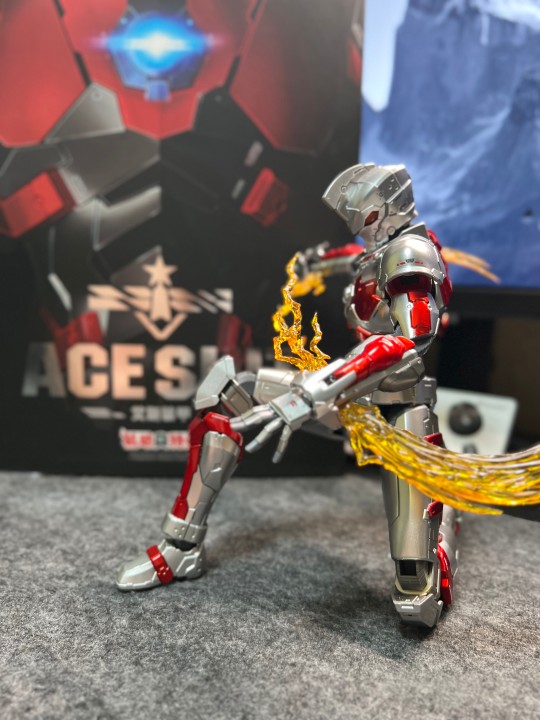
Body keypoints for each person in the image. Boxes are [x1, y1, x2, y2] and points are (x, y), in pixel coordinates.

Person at [116, 163, 459, 629]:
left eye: (360, 214)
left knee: (416, 596)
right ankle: (181, 545)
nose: (354, 224)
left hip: (399, 411)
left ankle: (444, 521)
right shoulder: (374, 254)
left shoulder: (411, 254)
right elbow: (340, 260)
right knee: (227, 393)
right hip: (350, 403)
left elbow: (408, 341)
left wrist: (315, 390)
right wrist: (314, 262)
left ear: (386, 207)